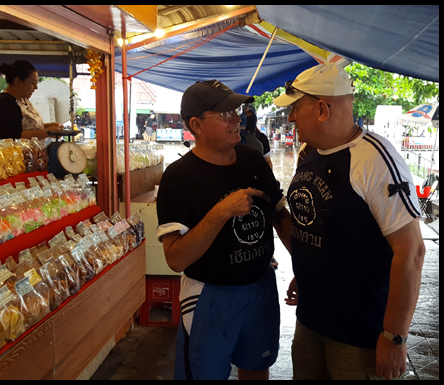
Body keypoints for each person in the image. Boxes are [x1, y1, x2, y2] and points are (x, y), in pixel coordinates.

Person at [274, 62, 426, 380]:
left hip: (359, 335)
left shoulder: (375, 160)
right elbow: (313, 224)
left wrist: (394, 337)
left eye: (295, 108)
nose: (289, 117)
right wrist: (307, 272)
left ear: (321, 109)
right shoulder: (308, 152)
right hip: (310, 320)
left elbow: (411, 252)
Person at [156, 79, 291, 380]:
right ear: (197, 125)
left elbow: (278, 212)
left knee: (257, 369)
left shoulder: (252, 160)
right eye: (224, 114)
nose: (237, 118)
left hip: (260, 288)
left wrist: (309, 265)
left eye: (236, 110)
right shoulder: (178, 178)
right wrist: (221, 212)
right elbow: (176, 259)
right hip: (209, 296)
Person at [0, 60, 63, 140]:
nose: (36, 87)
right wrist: (47, 132)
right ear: (18, 81)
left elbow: (29, 128)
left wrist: (48, 127)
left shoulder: (24, 99)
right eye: (33, 83)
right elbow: (16, 136)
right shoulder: (5, 102)